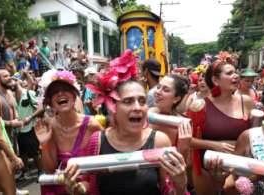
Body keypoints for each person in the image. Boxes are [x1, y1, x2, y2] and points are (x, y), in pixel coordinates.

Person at [66, 79, 191, 195]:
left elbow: (167, 189)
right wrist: (76, 188)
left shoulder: (160, 141)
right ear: (113, 107)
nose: (137, 107)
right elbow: (88, 183)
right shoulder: (97, 140)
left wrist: (180, 183)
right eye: (128, 101)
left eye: (142, 101)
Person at [186, 51, 254, 195]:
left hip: (239, 171)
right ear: (215, 80)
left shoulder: (246, 102)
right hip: (208, 170)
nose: (235, 76)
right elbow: (187, 140)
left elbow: (256, 135)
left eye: (235, 72)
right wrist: (215, 145)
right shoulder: (199, 106)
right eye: (229, 73)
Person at [34, 70, 103, 195]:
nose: (60, 93)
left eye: (65, 89)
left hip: (87, 189)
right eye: (54, 92)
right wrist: (44, 144)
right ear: (50, 102)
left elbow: (104, 163)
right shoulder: (51, 126)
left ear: (74, 96)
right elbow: (50, 169)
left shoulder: (92, 125)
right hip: (60, 189)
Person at [10, 77, 44, 179]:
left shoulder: (29, 93)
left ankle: (41, 171)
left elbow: (41, 108)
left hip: (30, 128)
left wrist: (31, 117)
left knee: (35, 152)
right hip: (18, 130)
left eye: (13, 80)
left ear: (18, 81)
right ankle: (25, 171)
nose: (11, 82)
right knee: (23, 153)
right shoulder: (10, 96)